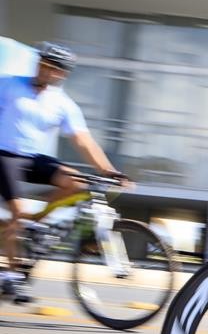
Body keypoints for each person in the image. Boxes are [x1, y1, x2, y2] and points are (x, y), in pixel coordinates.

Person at [0, 42, 126, 303]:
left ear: (62, 74)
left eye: (51, 67)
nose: (44, 70)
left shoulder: (62, 104)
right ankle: (12, 278)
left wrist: (109, 171)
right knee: (17, 210)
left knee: (77, 182)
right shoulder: (9, 84)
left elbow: (83, 141)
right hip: (3, 155)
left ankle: (34, 222)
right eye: (42, 64)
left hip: (33, 158)